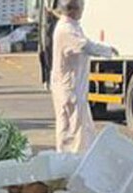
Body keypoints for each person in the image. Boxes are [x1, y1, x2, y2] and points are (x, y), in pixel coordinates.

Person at [50, 0, 117, 153]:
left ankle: (81, 158)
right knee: (73, 128)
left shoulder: (72, 27)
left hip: (74, 87)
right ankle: (71, 161)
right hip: (69, 88)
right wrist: (106, 50)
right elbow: (85, 46)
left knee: (81, 128)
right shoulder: (65, 30)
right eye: (81, 7)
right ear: (73, 9)